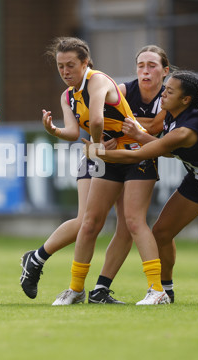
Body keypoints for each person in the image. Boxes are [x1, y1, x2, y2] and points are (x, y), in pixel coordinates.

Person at [83, 70, 198, 305]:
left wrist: (100, 153)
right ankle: (166, 292)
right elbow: (166, 148)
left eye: (169, 91)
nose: (163, 93)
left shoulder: (186, 129)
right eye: (165, 88)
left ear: (185, 100)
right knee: (161, 233)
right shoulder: (172, 115)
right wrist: (138, 136)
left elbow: (143, 155)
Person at [21, 37, 168, 306]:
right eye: (60, 66)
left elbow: (98, 119)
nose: (65, 71)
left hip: (135, 152)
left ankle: (157, 290)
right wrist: (52, 130)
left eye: (71, 65)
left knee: (133, 222)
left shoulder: (97, 80)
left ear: (85, 62)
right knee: (89, 223)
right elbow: (74, 133)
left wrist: (99, 146)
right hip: (105, 155)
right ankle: (76, 289)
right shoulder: (68, 95)